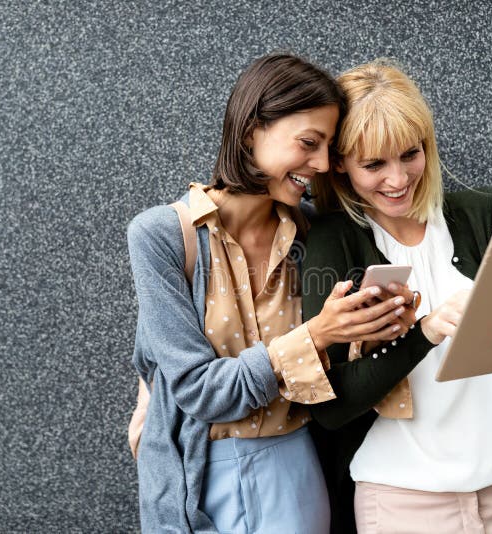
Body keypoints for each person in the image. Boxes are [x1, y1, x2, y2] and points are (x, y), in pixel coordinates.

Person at [127, 53, 419, 533]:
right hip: (196, 476)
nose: (322, 164)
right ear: (250, 132)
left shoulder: (313, 235)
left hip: (297, 468)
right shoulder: (162, 235)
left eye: (329, 147)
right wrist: (316, 335)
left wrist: (376, 330)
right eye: (309, 143)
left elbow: (335, 381)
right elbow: (199, 391)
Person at [303, 59, 492, 533]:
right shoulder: (332, 240)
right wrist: (425, 332)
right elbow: (330, 407)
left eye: (411, 153)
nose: (398, 178)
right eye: (374, 164)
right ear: (340, 163)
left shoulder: (486, 213)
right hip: (402, 505)